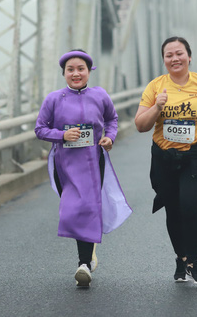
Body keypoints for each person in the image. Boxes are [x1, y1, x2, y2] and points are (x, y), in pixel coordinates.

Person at [35, 49, 132, 287]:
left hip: (92, 161)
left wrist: (110, 137)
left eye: (81, 69)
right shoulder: (54, 99)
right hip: (65, 164)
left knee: (87, 206)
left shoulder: (99, 96)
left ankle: (84, 264)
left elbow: (112, 119)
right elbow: (40, 129)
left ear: (89, 71)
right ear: (64, 73)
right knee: (71, 210)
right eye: (71, 70)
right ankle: (88, 254)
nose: (76, 73)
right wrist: (62, 135)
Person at [134, 36, 197, 285]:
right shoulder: (155, 87)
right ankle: (181, 257)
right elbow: (140, 125)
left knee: (190, 206)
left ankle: (195, 262)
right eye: (169, 55)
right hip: (165, 157)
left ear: (189, 56)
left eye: (179, 53)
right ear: (164, 60)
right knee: (173, 210)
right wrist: (157, 107)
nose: (175, 58)